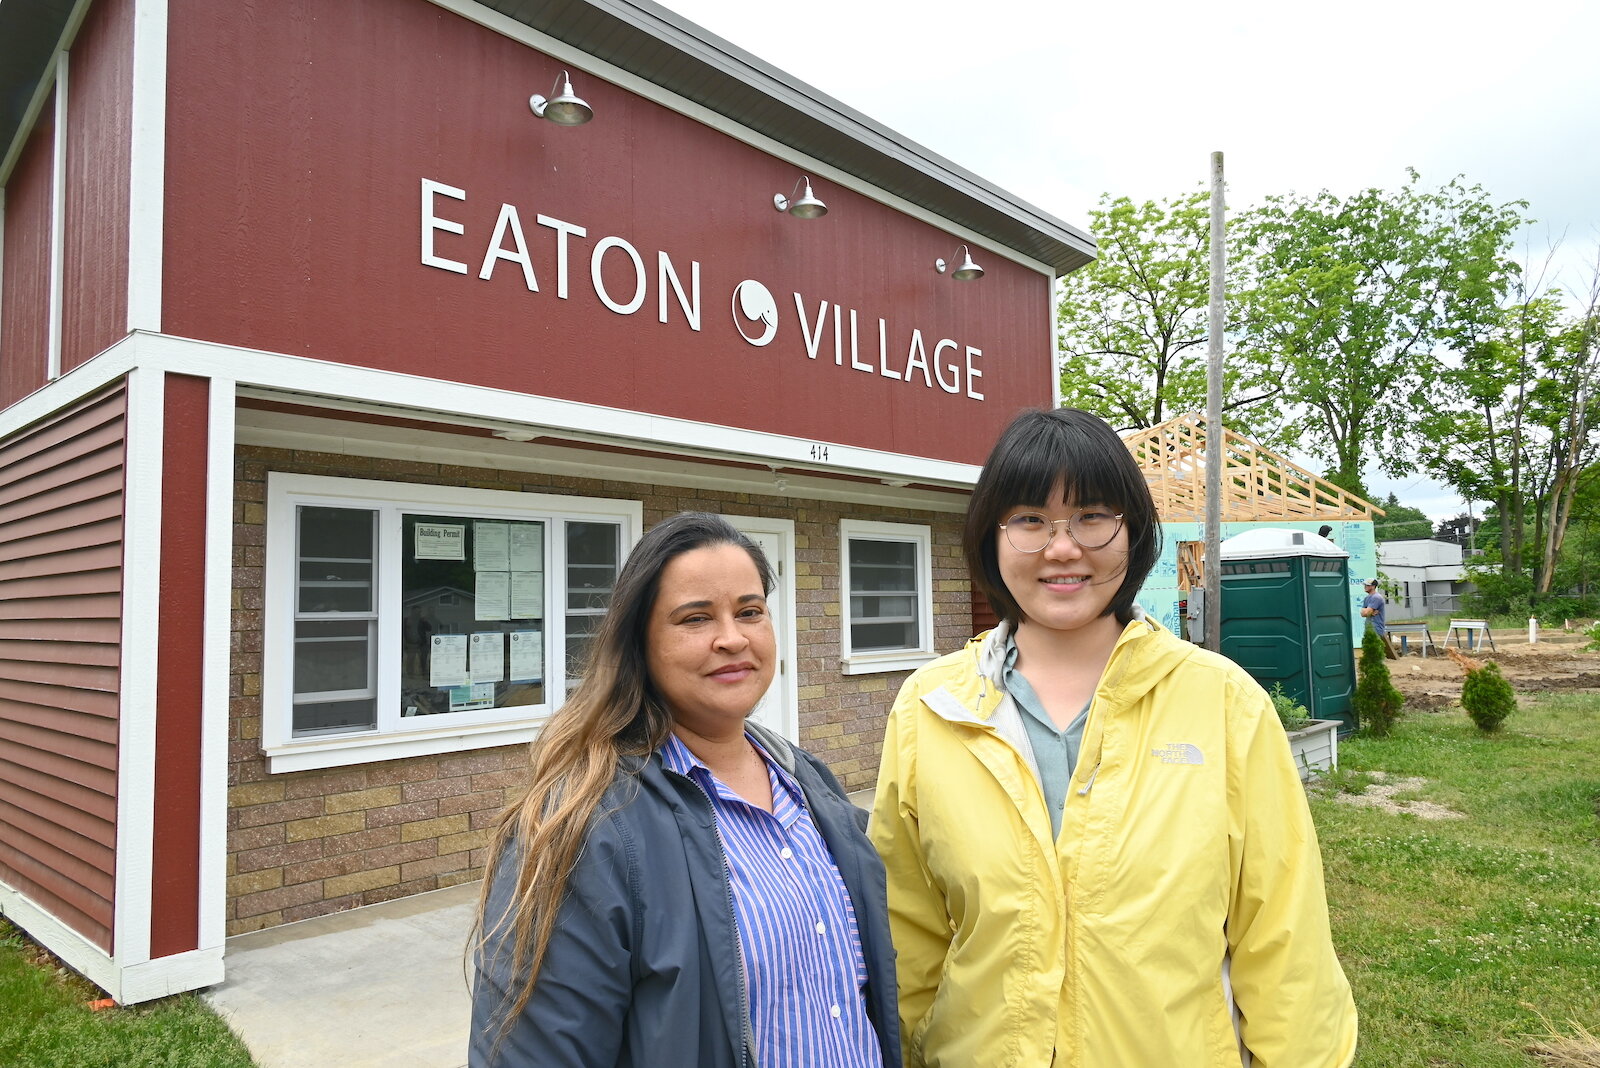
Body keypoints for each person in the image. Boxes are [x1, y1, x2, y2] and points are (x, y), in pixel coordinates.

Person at [870, 408, 1357, 1067]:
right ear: (993, 536)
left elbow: (1283, 937)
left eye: (1093, 516)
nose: (1063, 547)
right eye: (1030, 519)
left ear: (1133, 533)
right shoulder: (932, 709)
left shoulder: (1221, 703)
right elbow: (904, 931)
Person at [471, 512, 899, 1068]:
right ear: (639, 644)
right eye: (695, 619)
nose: (732, 638)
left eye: (750, 611)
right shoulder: (584, 828)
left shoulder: (805, 780)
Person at [1362, 577, 1397, 659]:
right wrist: (1369, 612)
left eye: (1367, 585)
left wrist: (1367, 612)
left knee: (1376, 651)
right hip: (1368, 626)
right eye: (1365, 585)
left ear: (1373, 586)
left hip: (1376, 627)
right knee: (1369, 651)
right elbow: (1362, 613)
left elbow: (1366, 612)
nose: (1365, 586)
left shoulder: (1376, 598)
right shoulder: (1367, 598)